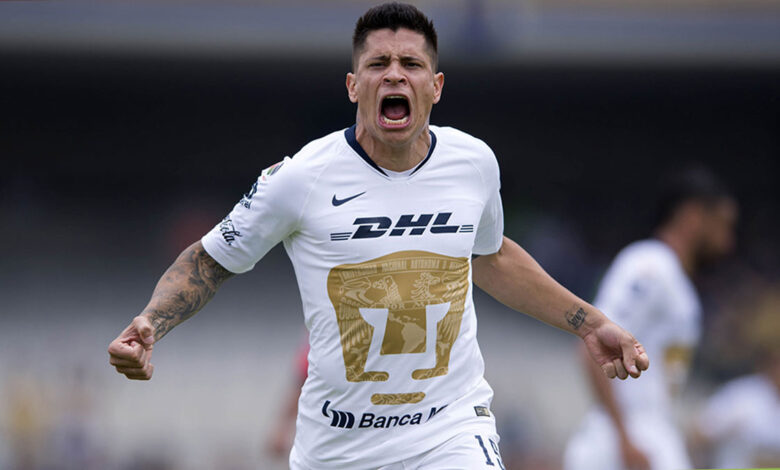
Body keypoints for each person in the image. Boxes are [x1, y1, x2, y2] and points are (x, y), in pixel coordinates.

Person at [108, 3, 649, 468]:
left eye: (411, 64)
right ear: (353, 86)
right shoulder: (300, 178)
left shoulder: (474, 163)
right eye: (378, 64)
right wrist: (151, 322)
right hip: (339, 447)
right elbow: (210, 260)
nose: (395, 76)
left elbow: (491, 258)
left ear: (435, 86)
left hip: (451, 428)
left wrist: (590, 322)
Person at [563, 168, 738, 470]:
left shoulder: (677, 282)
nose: (728, 241)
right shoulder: (649, 265)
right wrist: (623, 437)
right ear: (692, 216)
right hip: (627, 438)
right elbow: (592, 343)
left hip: (649, 432)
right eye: (722, 225)